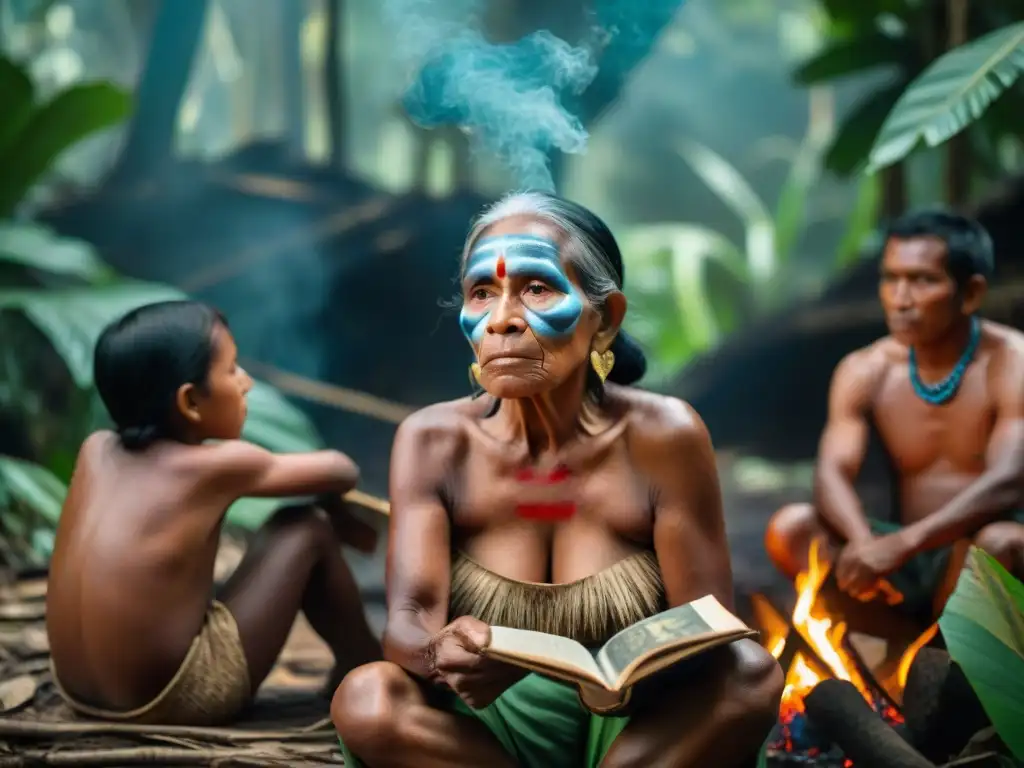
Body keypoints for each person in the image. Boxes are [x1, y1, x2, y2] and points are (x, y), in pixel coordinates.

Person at [331, 192, 783, 768]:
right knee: (368, 698)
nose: (502, 320)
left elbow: (707, 619)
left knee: (748, 672)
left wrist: (606, 678)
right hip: (479, 735)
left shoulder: (664, 435)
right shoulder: (433, 441)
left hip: (636, 726)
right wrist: (440, 652)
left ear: (606, 320)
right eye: (482, 293)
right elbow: (408, 621)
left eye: (537, 289)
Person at [46, 300, 382, 727]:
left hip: (78, 690)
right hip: (171, 699)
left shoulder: (95, 451)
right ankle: (364, 664)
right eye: (232, 370)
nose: (245, 383)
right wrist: (331, 504)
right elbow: (340, 469)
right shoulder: (214, 468)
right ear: (190, 402)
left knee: (287, 524)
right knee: (306, 528)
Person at [766, 209, 1024, 623]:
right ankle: (892, 649)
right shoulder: (866, 369)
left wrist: (901, 544)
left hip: (978, 549)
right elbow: (831, 471)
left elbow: (1008, 483)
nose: (901, 298)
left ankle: (954, 660)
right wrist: (865, 542)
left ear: (971, 293)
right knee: (791, 527)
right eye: (891, 278)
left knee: (1001, 542)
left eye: (923, 280)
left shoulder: (1011, 362)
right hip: (900, 558)